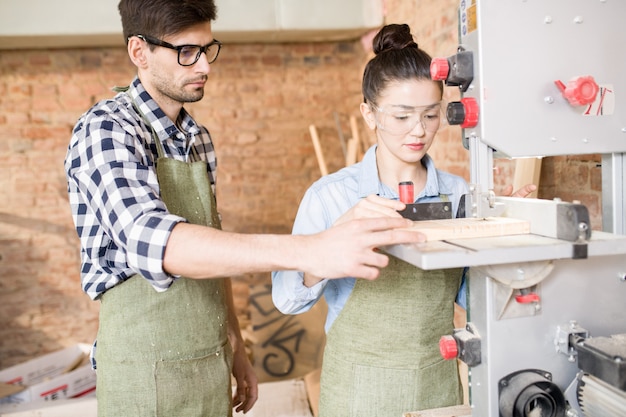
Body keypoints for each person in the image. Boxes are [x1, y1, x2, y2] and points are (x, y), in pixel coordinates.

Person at [64, 3, 426, 416]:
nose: (204, 65)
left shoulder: (196, 137)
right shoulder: (107, 128)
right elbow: (159, 243)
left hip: (209, 362)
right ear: (139, 51)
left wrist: (234, 345)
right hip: (142, 374)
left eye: (207, 48)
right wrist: (312, 249)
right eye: (186, 52)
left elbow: (210, 241)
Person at [271, 23, 536, 417]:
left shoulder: (459, 193)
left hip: (437, 385)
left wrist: (503, 237)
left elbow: (472, 295)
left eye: (431, 115)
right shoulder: (332, 196)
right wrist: (330, 242)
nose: (419, 130)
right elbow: (286, 300)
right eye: (402, 116)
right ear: (369, 113)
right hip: (357, 391)